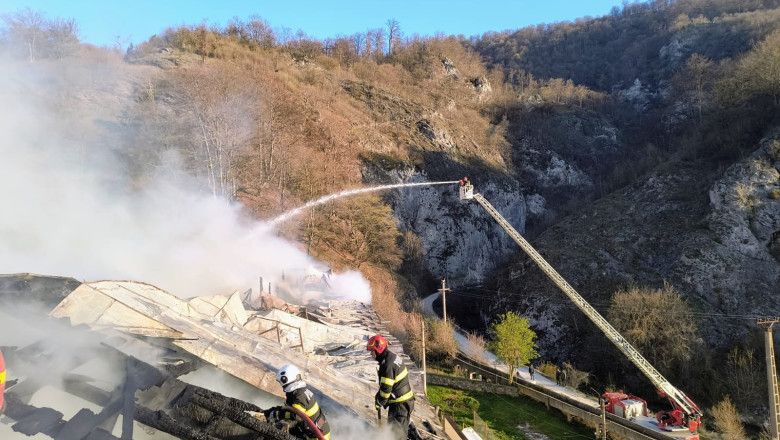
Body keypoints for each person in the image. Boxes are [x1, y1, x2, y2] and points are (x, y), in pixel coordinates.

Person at [264, 364, 331, 440]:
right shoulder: (300, 390)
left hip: (316, 436)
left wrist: (277, 414)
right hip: (317, 429)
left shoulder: (298, 396)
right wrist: (275, 410)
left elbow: (296, 416)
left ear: (285, 379)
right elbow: (291, 410)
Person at [367, 334, 415, 439]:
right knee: (395, 431)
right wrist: (379, 396)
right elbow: (387, 385)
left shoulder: (387, 365)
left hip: (400, 405)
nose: (371, 354)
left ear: (378, 350)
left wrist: (379, 401)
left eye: (372, 351)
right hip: (402, 401)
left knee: (396, 435)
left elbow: (386, 390)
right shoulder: (391, 357)